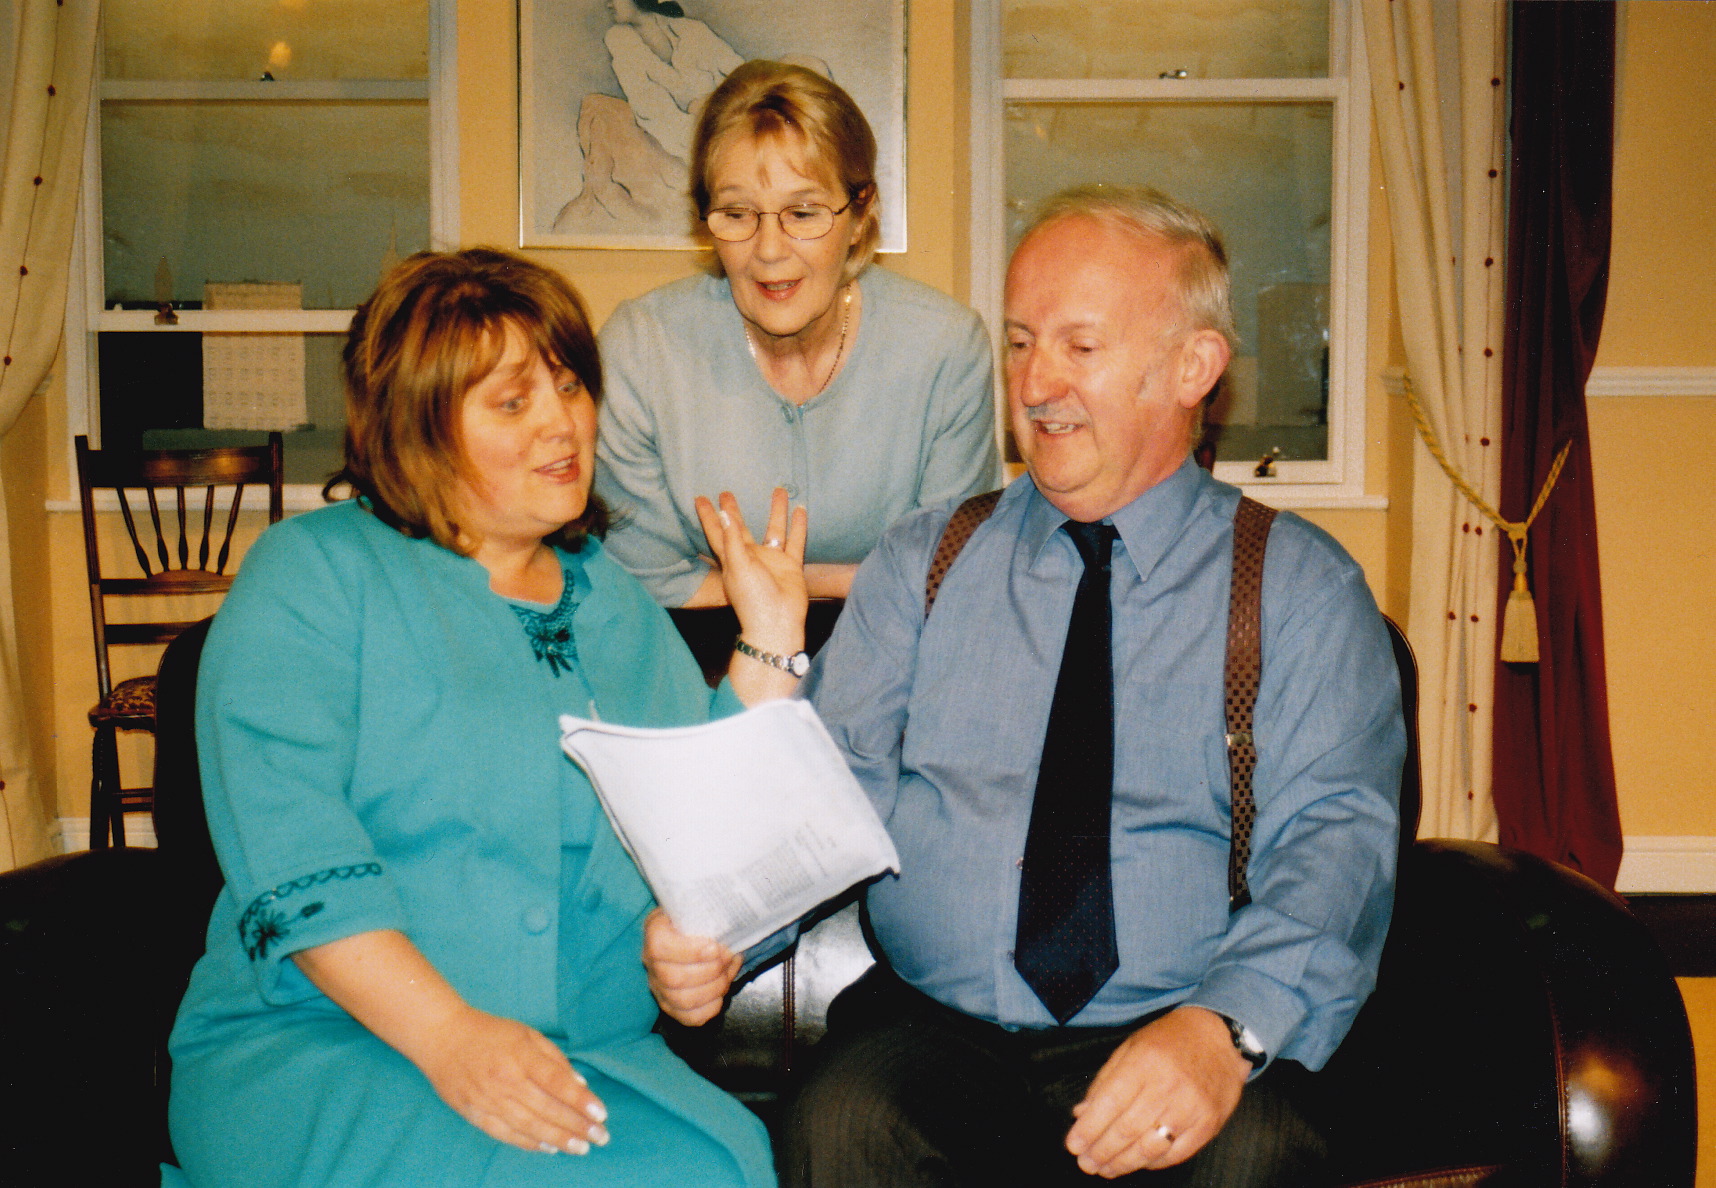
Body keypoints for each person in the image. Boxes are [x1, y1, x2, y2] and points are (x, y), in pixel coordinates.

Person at [646, 187, 1405, 1186]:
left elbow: (1333, 843)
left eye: (1079, 346)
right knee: (839, 1125)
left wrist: (1226, 1030)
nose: (1036, 383)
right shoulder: (924, 565)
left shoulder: (1298, 589)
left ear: (1194, 367)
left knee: (1256, 1155)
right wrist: (718, 930)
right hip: (936, 1037)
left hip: (1181, 1024)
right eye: (1018, 343)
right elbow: (824, 797)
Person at [165, 247, 807, 1188]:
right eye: (512, 402)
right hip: (318, 1047)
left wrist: (771, 640)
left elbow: (715, 841)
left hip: (582, 1057)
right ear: (418, 428)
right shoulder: (312, 574)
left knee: (731, 1162)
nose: (563, 422)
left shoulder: (617, 607)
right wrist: (450, 1037)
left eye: (569, 385)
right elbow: (291, 857)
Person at [594, 59, 1001, 611]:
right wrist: (859, 577)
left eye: (804, 213)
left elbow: (951, 575)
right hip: (693, 647)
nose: (768, 250)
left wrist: (766, 576)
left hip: (899, 647)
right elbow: (644, 580)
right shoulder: (641, 349)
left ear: (861, 213)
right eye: (737, 213)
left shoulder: (945, 348)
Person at [602, 0, 742, 166]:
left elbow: (744, 76)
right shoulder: (620, 41)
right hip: (693, 141)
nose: (608, 4)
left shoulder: (691, 29)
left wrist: (709, 103)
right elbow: (653, 112)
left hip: (735, 119)